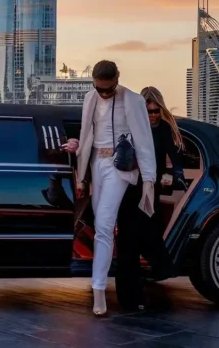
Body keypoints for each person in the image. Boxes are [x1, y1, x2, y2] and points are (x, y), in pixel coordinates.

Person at [66, 60, 157, 316]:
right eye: (99, 89)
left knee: (105, 224)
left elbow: (144, 140)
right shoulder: (89, 99)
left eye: (109, 89)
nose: (104, 93)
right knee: (100, 227)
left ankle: (99, 291)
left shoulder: (134, 100)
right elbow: (86, 133)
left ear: (118, 78)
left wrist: (149, 178)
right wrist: (81, 169)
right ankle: (98, 288)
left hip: (121, 166)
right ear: (94, 83)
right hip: (95, 165)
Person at [114, 86, 188, 311]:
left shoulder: (164, 129)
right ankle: (131, 296)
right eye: (148, 111)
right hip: (128, 191)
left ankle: (160, 270)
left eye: (156, 111)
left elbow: (173, 156)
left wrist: (178, 175)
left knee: (146, 236)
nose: (153, 115)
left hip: (149, 190)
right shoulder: (130, 128)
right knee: (128, 243)